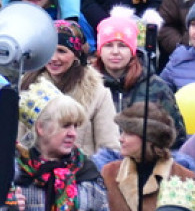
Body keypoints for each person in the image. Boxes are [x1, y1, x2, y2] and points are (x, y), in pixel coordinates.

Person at [16, 92, 124, 211]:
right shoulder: (15, 173)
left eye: (75, 126)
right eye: (65, 126)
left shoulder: (87, 175)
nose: (73, 133)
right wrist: (8, 209)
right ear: (41, 128)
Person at [101, 103, 194, 211]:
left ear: (150, 139)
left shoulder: (184, 178)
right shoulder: (109, 173)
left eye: (128, 133)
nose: (120, 138)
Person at [23, 20, 121, 153]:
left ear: (76, 55)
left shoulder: (98, 93)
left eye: (62, 51)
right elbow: (16, 142)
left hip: (82, 171)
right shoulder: (28, 86)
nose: (53, 58)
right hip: (32, 171)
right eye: (49, 50)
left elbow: (109, 149)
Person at [92, 9, 186, 142]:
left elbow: (177, 136)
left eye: (122, 46)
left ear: (133, 51)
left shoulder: (156, 87)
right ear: (100, 51)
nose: (115, 52)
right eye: (108, 45)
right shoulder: (88, 86)